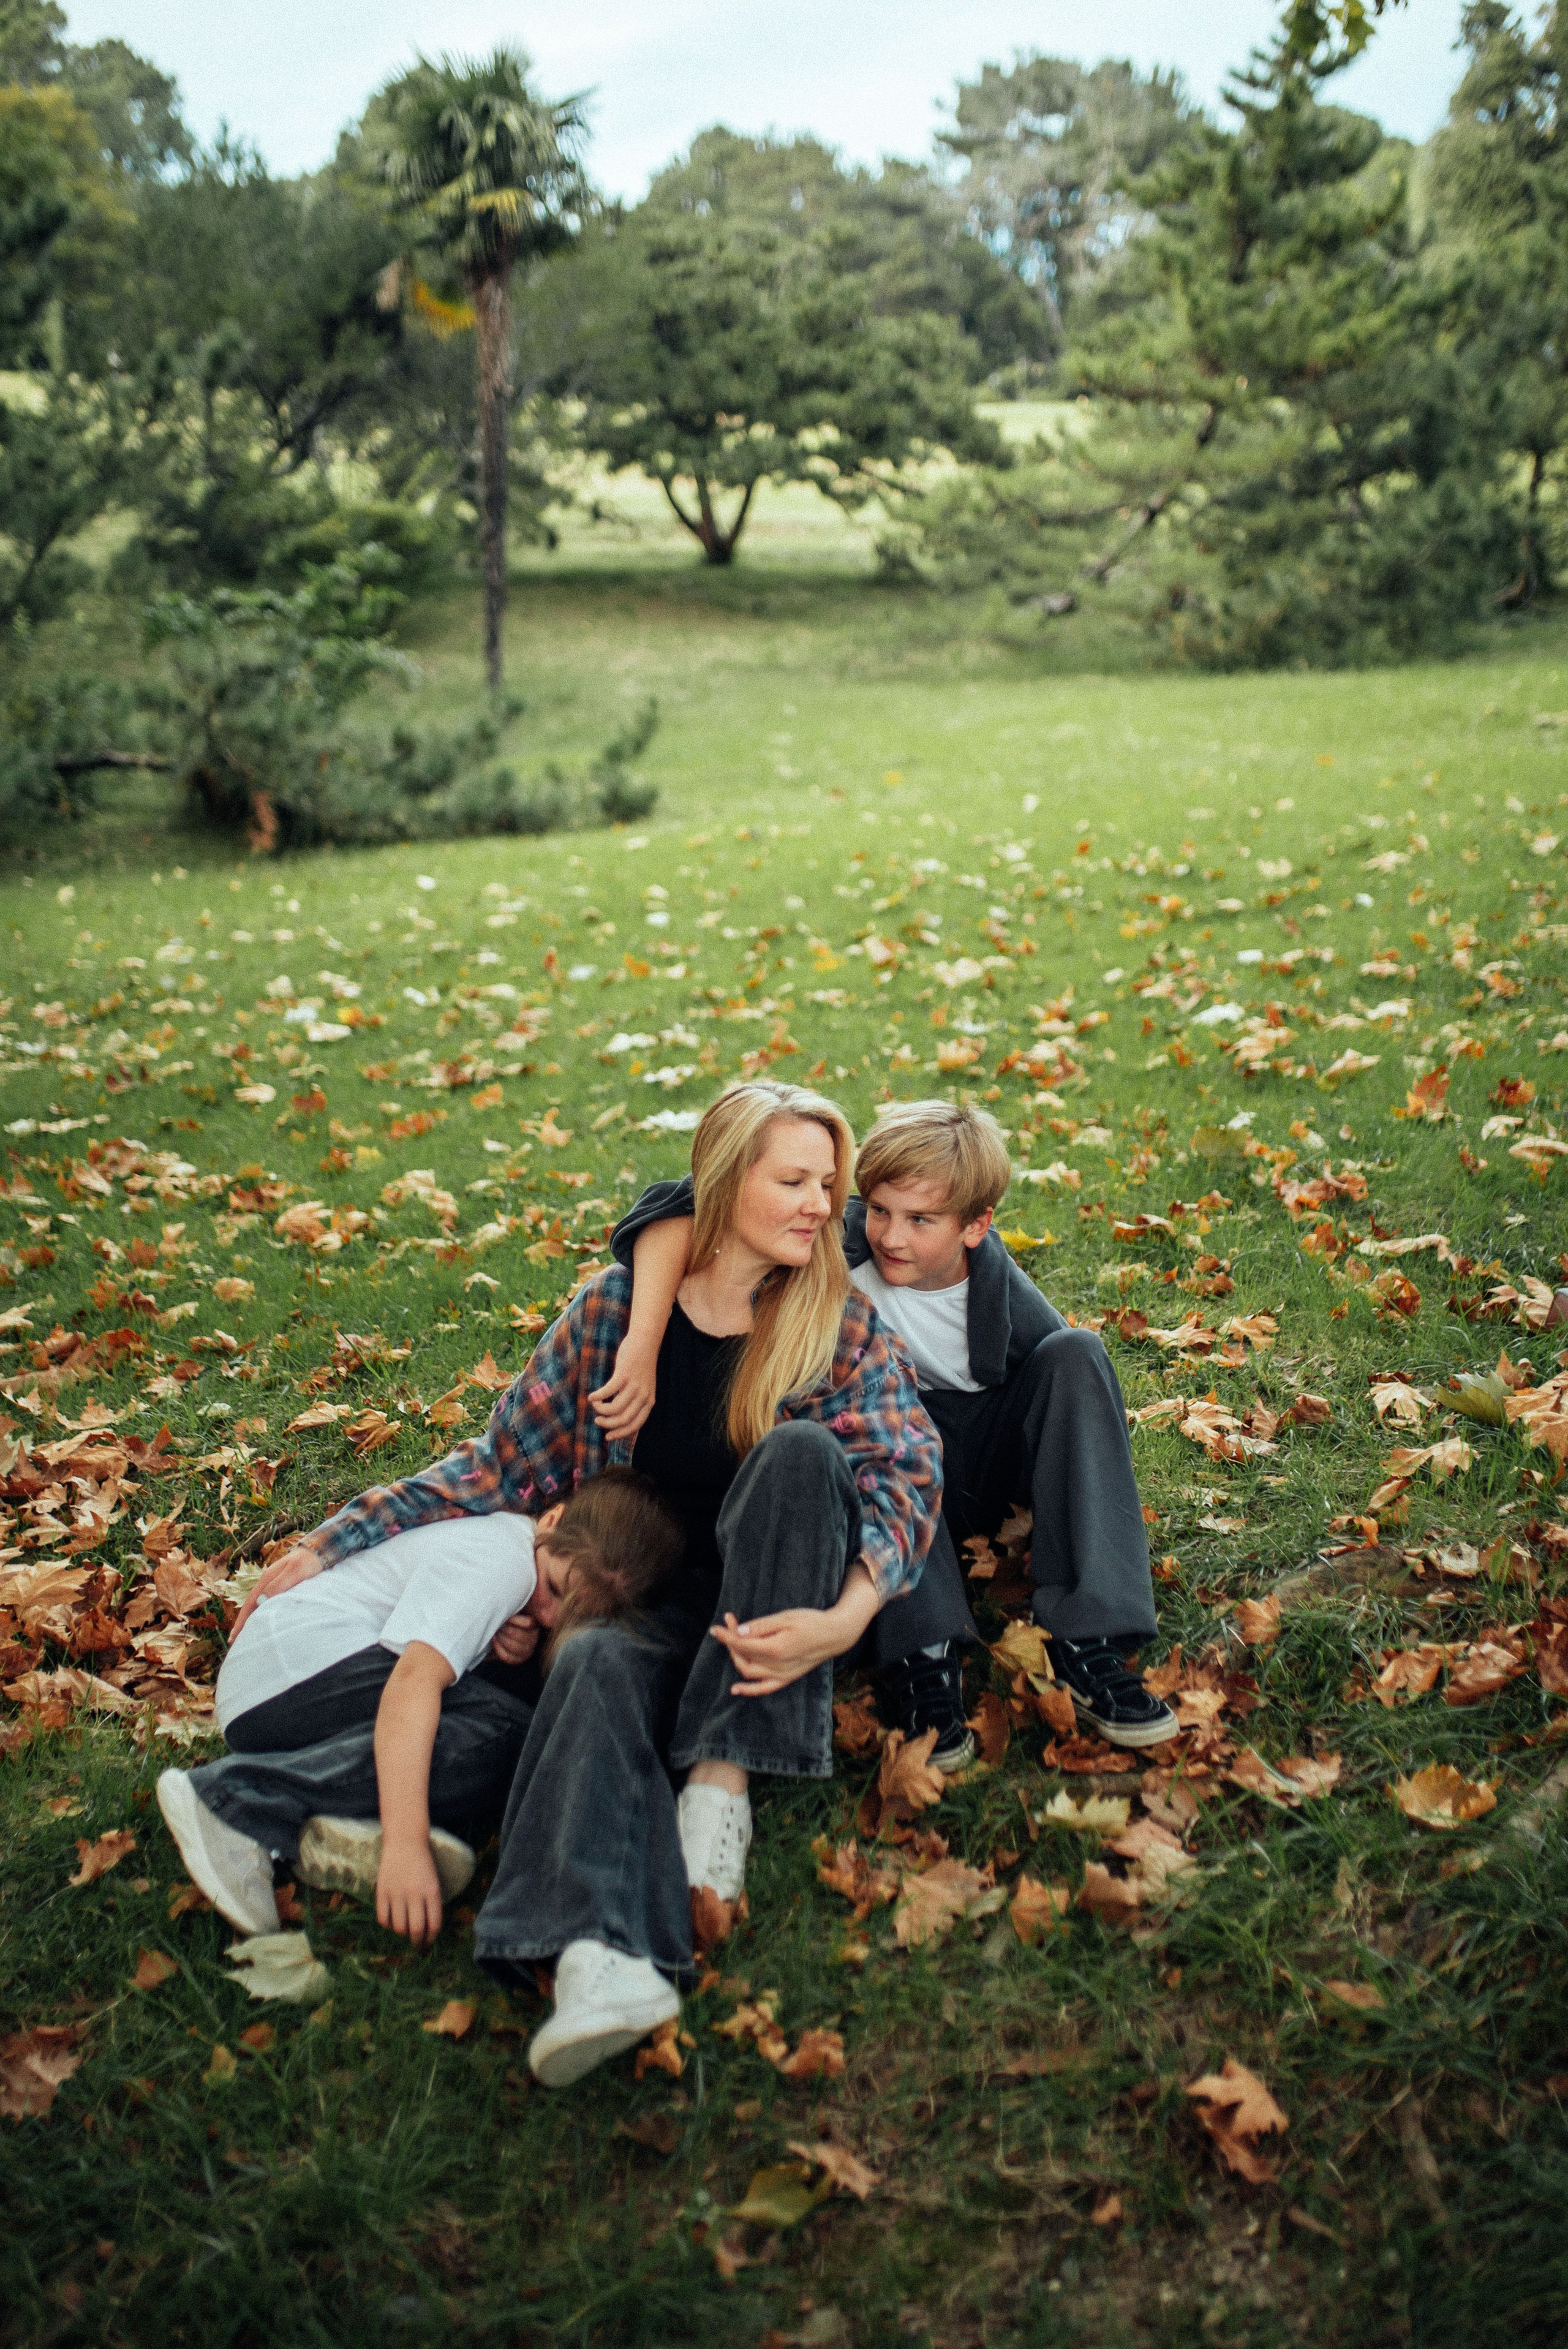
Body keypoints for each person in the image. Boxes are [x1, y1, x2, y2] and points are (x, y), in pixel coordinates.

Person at [232, 1078, 943, 2087]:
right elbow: (496, 1467)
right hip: (643, 1600)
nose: (824, 1207)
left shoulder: (836, 1320)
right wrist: (337, 1541)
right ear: (726, 1183)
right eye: (794, 1181)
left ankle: (720, 1784)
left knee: (800, 1460)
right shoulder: (616, 1314)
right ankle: (594, 1957)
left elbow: (905, 1471)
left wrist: (848, 1619)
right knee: (595, 1655)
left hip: (779, 1605)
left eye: (828, 1184)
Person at [610, 1097, 1177, 1768]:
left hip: (986, 1465)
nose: (891, 1237)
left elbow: (1066, 1412)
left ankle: (1090, 1637)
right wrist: (641, 1342)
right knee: (892, 1424)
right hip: (890, 1461)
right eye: (878, 1209)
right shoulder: (832, 1244)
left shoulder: (1001, 1295)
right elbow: (675, 1206)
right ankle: (922, 1656)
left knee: (1078, 1352)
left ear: (976, 1226)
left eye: (920, 1220)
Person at [157, 1470, 681, 1948]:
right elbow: (412, 1684)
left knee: (502, 1727)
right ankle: (238, 1804)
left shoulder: (520, 1558)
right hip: (291, 1669)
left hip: (277, 1684)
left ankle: (316, 1820)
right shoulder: (505, 1560)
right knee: (505, 1732)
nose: (547, 1614)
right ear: (552, 1519)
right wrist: (407, 1847)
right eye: (555, 1589)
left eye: (572, 1616)